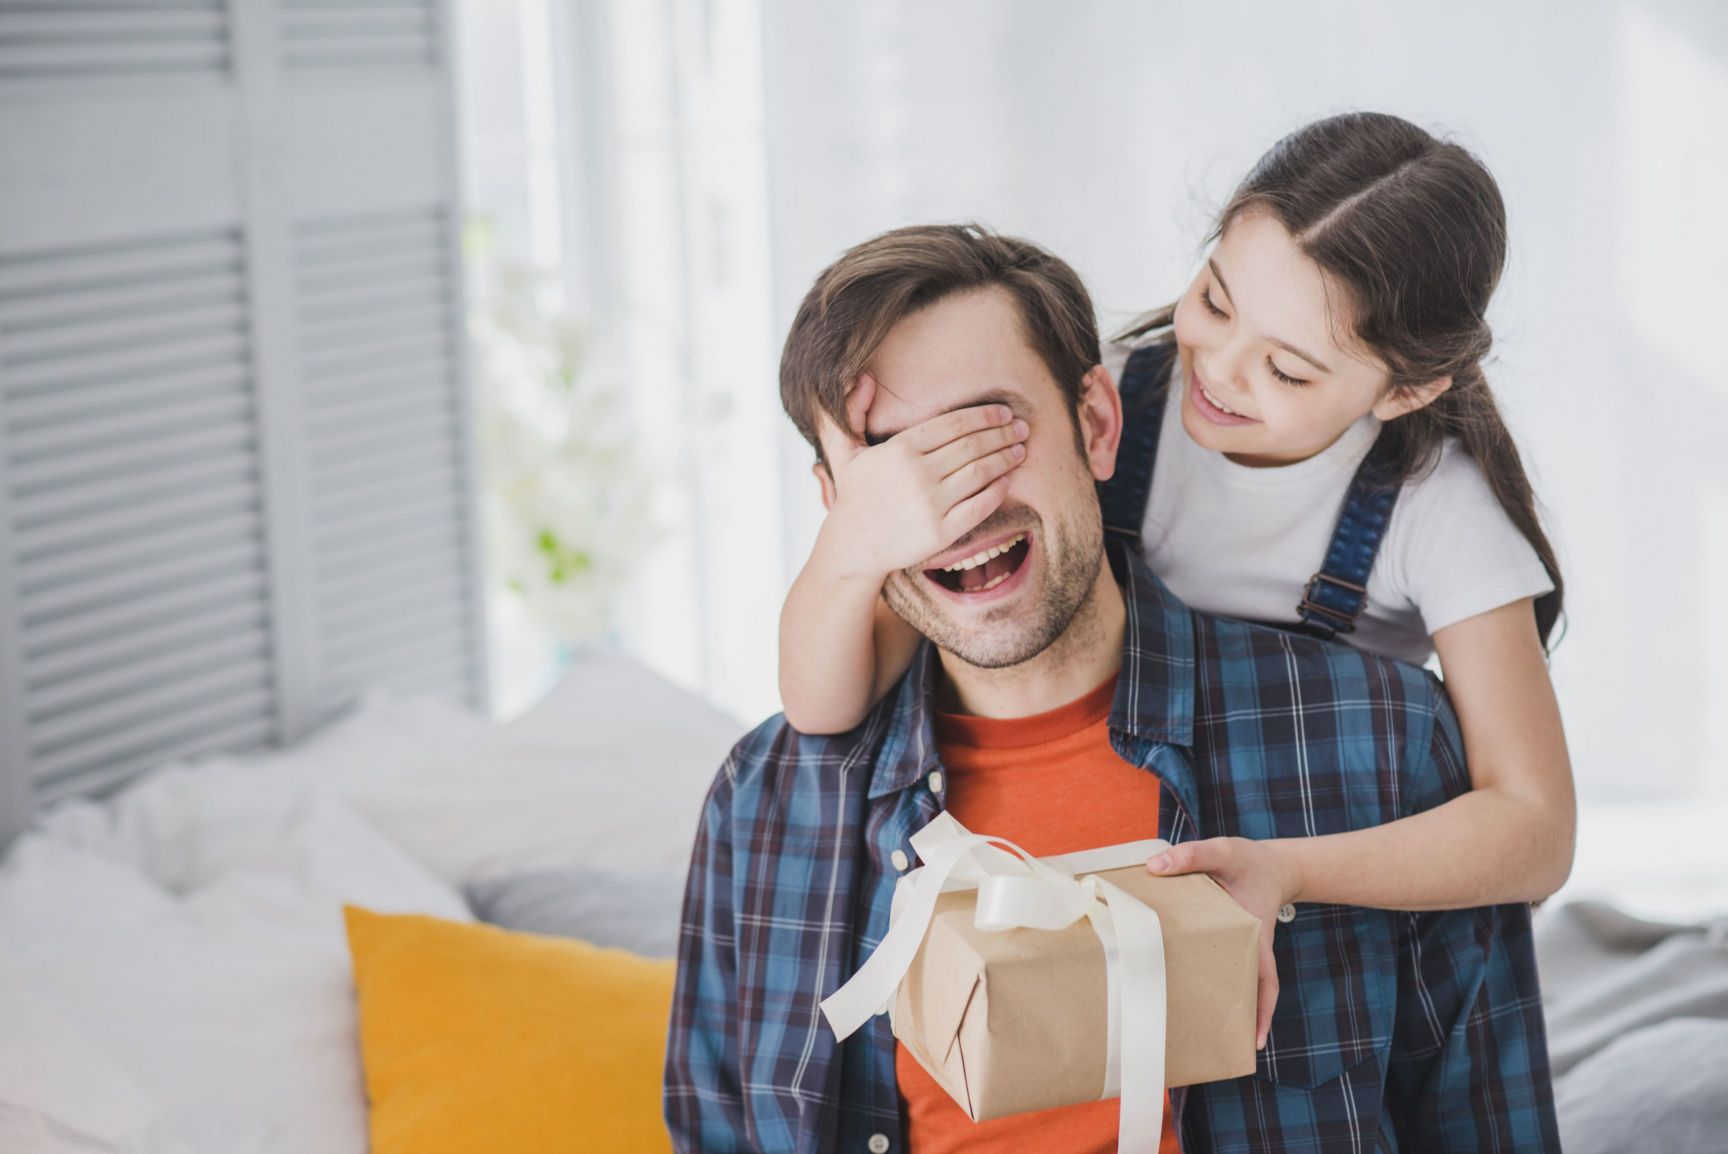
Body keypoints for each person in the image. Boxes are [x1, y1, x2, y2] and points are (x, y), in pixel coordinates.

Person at [664, 216, 1561, 1152]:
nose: (953, 504)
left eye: (986, 433)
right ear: (836, 505)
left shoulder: (1383, 747)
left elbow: (1490, 1122)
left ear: (1097, 424)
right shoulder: (764, 801)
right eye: (892, 461)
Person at [778, 110, 1575, 1036]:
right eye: (1217, 301)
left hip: (1304, 879)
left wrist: (1292, 869)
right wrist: (855, 539)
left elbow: (1534, 828)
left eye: (1286, 369)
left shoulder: (1439, 510)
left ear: (1406, 391)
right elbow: (823, 703)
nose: (1221, 372)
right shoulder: (1105, 399)